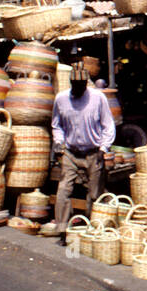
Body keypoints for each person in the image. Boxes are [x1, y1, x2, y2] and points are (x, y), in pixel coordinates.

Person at [43, 62, 115, 238]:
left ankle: (91, 228)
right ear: (70, 83)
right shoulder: (61, 99)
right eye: (74, 85)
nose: (77, 88)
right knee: (63, 190)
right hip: (71, 152)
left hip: (93, 152)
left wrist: (103, 148)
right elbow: (56, 125)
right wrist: (59, 143)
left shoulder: (98, 98)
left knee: (94, 193)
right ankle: (61, 228)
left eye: (81, 85)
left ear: (86, 84)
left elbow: (108, 126)